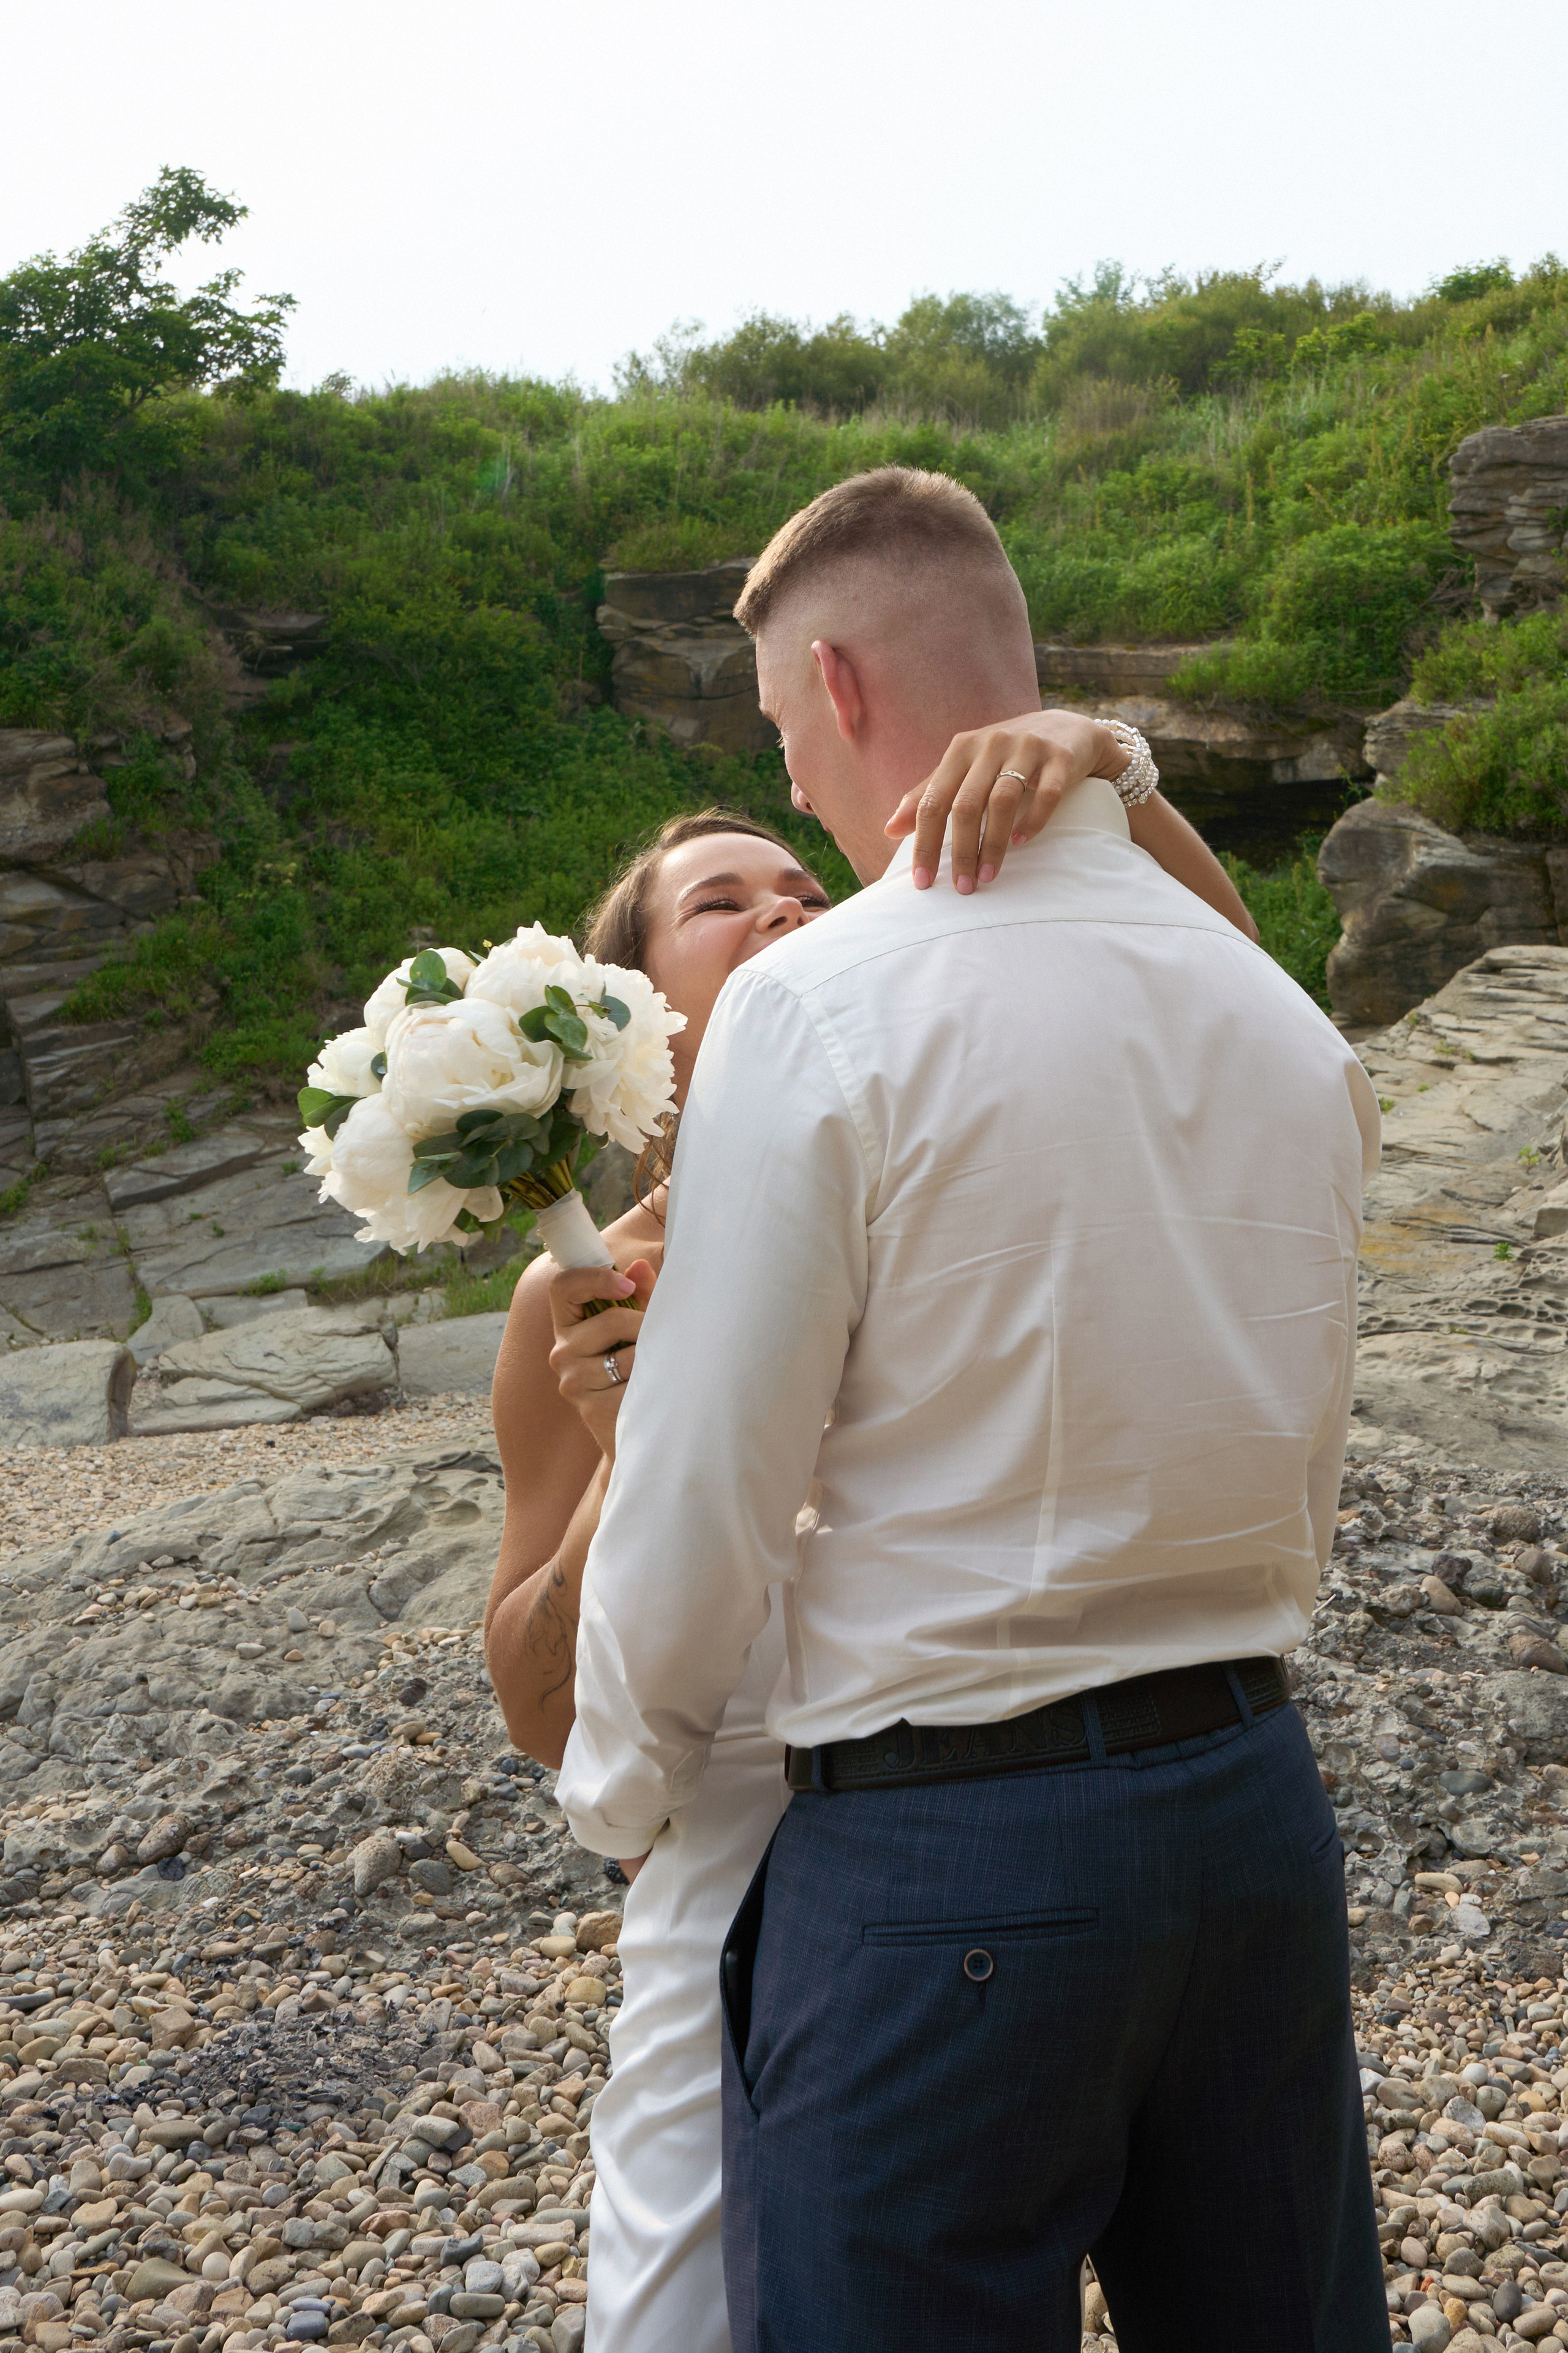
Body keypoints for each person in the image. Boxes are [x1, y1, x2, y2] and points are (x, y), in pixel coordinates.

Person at [553, 465, 1386, 2353]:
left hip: (950, 1866)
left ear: (837, 690)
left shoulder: (821, 1007)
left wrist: (624, 1782)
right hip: (1255, 1810)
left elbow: (709, 1488)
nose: (787, 788)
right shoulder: (1279, 1020)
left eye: (779, 732)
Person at [486, 754, 1258, 2351]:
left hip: (996, 1835)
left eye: (805, 888)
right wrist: (634, 1446)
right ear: (628, 1014)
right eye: (721, 902)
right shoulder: (569, 1306)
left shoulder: (937, 1159)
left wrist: (1118, 777)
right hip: (721, 1883)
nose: (783, 905)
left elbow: (1236, 1020)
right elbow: (544, 1711)